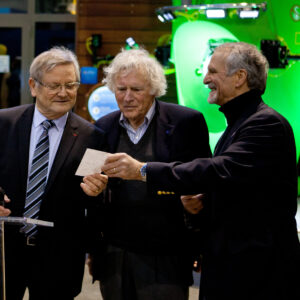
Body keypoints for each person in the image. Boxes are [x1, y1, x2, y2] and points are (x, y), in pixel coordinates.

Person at [101, 42, 300, 300]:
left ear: (240, 78)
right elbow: (239, 183)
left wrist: (143, 170)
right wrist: (203, 201)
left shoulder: (265, 123)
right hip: (234, 263)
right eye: (121, 89)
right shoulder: (241, 122)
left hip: (255, 269)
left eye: (213, 72)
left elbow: (220, 170)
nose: (206, 79)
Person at [89, 48, 211, 300]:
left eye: (137, 89)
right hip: (115, 253)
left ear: (154, 89)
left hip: (166, 253)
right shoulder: (103, 127)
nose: (127, 97)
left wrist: (199, 238)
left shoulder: (186, 122)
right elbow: (89, 183)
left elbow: (203, 181)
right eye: (121, 89)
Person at [0, 46, 108, 300]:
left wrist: (97, 192)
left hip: (59, 258)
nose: (63, 93)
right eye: (54, 85)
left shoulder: (93, 137)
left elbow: (92, 199)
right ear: (33, 86)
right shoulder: (4, 123)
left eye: (70, 85)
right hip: (4, 252)